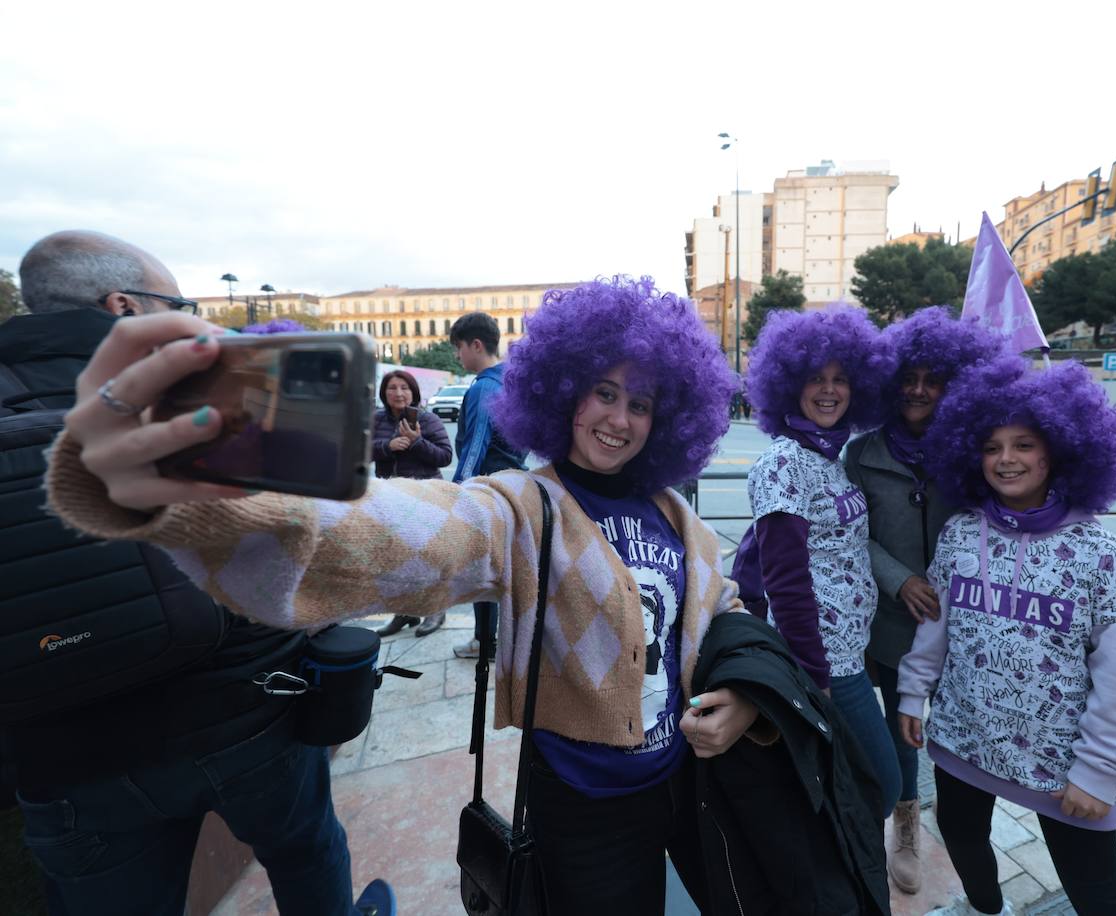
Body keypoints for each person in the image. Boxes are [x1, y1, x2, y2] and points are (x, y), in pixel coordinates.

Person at [42, 276, 793, 916]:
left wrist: (744, 694)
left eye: (641, 404)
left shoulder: (674, 512)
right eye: (603, 392)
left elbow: (720, 608)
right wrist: (194, 495)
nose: (619, 419)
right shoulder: (519, 507)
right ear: (564, 394)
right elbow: (403, 532)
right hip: (582, 801)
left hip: (685, 783)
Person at [0, 230, 392, 916]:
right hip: (245, 719)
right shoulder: (210, 397)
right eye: (174, 303)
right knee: (308, 856)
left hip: (66, 759)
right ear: (123, 305)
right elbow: (303, 547)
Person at [898, 361, 1116, 916]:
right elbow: (935, 627)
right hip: (961, 742)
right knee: (965, 844)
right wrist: (912, 692)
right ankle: (985, 908)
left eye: (1024, 443)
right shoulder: (960, 533)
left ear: (1058, 452)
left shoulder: (1100, 555)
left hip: (1062, 768)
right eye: (992, 446)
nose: (1006, 459)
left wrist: (1099, 771)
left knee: (1098, 894)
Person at [843, 307, 1015, 896]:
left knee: (958, 728)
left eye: (932, 379)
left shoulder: (971, 451)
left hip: (963, 623)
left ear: (954, 385)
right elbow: (848, 533)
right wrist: (898, 578)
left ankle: (967, 831)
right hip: (889, 621)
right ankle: (906, 824)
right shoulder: (861, 453)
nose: (918, 390)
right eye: (908, 378)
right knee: (900, 729)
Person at [737, 306, 902, 818]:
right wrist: (816, 675)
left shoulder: (831, 459)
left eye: (840, 379)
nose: (829, 390)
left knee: (839, 783)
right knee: (883, 784)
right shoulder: (783, 463)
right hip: (823, 662)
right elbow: (785, 581)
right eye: (815, 379)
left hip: (849, 654)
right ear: (789, 386)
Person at [447, 312, 527, 658]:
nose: (457, 356)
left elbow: (476, 444)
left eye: (458, 348)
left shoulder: (484, 387)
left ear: (476, 345)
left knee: (483, 572)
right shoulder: (513, 383)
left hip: (486, 491)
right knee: (506, 570)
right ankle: (503, 641)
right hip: (513, 488)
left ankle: (485, 643)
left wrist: (456, 495)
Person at [372, 368, 454, 637]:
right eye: (392, 387)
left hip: (424, 498)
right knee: (396, 558)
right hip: (389, 498)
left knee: (429, 557)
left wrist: (417, 442)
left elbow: (445, 456)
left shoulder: (427, 420)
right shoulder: (376, 419)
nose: (398, 393)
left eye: (404, 387)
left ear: (414, 392)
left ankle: (435, 611)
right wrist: (387, 446)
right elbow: (357, 449)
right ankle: (404, 613)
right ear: (384, 393)